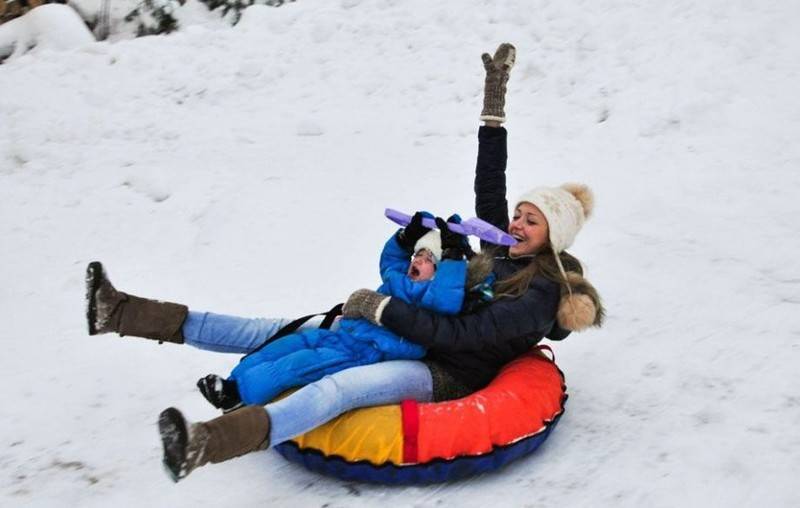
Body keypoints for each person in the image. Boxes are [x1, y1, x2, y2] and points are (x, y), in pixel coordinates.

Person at [86, 43, 604, 482]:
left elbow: (461, 338)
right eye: (519, 213)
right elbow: (489, 180)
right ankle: (120, 313)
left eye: (531, 221)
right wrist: (494, 103)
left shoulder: (541, 294)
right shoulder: (497, 245)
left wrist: (381, 310)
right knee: (268, 328)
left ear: (553, 237)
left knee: (338, 388)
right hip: (401, 329)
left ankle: (203, 443)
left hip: (441, 371)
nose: (516, 223)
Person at [195, 215, 479, 412]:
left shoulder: (431, 298)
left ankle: (240, 397)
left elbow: (447, 297)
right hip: (342, 335)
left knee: (296, 364)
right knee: (282, 347)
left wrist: (454, 257)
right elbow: (390, 259)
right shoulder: (398, 279)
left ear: (440, 272)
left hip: (363, 355)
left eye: (429, 259)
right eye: (418, 254)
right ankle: (233, 382)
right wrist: (406, 236)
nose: (418, 260)